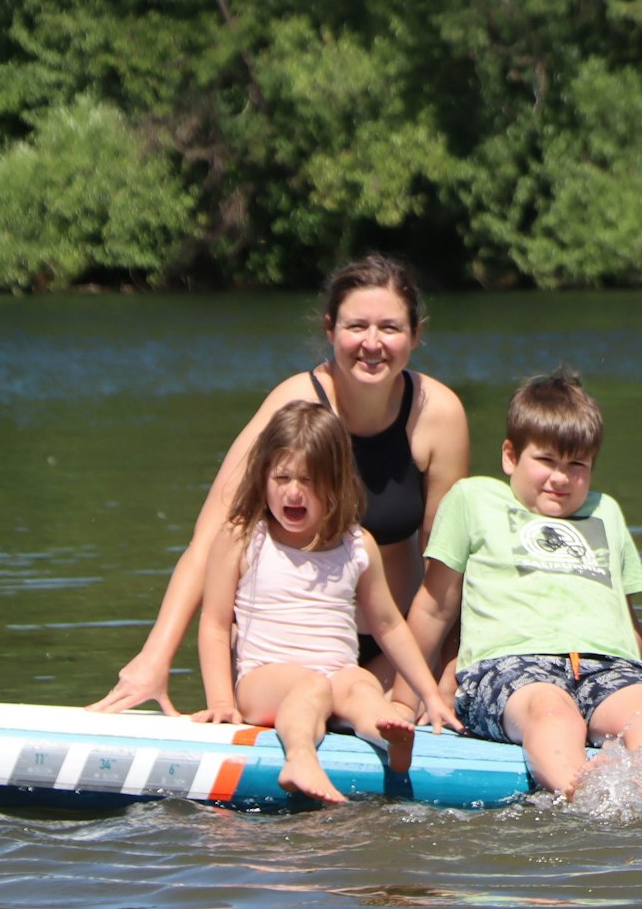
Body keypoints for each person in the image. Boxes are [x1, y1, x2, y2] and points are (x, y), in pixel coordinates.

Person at [90, 255, 470, 716]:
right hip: (276, 649)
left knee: (382, 712)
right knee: (303, 698)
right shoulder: (293, 405)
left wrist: (446, 669)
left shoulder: (439, 414)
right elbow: (209, 539)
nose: (372, 344)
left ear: (415, 334)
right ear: (330, 329)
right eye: (356, 326)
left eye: (389, 328)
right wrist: (155, 658)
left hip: (388, 651)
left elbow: (446, 574)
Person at [407, 368, 642, 798]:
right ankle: (585, 797)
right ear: (510, 456)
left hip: (606, 665)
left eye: (576, 465)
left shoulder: (606, 512)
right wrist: (406, 696)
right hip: (512, 666)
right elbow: (434, 605)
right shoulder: (474, 499)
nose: (560, 478)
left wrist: (640, 674)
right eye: (546, 461)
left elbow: (624, 614)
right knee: (551, 709)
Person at [195, 401, 459, 804]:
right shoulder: (243, 537)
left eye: (310, 480)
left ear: (336, 485)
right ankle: (299, 757)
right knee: (311, 686)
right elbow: (215, 624)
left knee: (362, 686)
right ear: (263, 476)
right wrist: (221, 704)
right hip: (264, 680)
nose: (293, 491)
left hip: (336, 674)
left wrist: (430, 695)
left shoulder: (356, 545)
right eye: (281, 477)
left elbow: (389, 625)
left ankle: (388, 736)